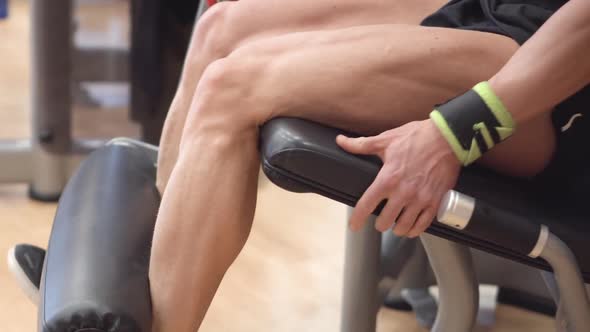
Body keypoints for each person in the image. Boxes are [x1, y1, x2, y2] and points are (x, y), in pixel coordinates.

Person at [8, 0, 590, 331]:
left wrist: (451, 135)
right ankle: (124, 285)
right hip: (500, 11)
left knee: (232, 87)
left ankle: (147, 320)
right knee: (222, 28)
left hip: (551, 81)